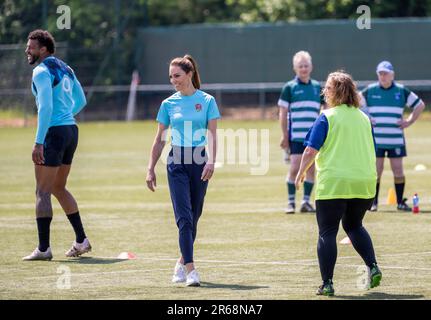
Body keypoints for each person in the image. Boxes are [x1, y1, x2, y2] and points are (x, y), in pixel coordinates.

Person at [295, 71, 382, 296]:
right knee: (354, 226)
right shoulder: (364, 118)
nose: (324, 91)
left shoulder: (327, 116)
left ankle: (327, 284)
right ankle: (373, 266)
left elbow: (310, 150)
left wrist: (300, 173)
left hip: (334, 184)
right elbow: (372, 149)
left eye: (328, 88)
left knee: (327, 232)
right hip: (364, 184)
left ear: (335, 92)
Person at [146, 55, 220, 287]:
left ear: (189, 74)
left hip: (200, 162)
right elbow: (159, 139)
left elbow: (213, 134)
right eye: (171, 77)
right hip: (176, 161)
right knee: (184, 219)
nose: (173, 80)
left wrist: (212, 162)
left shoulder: (207, 101)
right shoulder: (168, 104)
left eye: (177, 76)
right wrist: (150, 169)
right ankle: (191, 271)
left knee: (194, 217)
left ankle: (180, 262)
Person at [22, 30, 91, 261]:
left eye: (31, 47)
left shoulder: (41, 71)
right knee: (58, 188)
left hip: (54, 133)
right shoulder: (66, 68)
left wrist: (38, 141)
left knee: (42, 191)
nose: (27, 50)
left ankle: (43, 249)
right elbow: (81, 100)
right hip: (71, 130)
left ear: (44, 49)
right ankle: (82, 240)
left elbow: (46, 108)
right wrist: (65, 118)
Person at [360, 61, 425, 212]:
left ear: (392, 74)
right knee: (376, 171)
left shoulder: (401, 90)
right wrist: (366, 117)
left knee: (398, 170)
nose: (383, 76)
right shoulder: (370, 90)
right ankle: (373, 203)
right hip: (376, 139)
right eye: (380, 74)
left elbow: (420, 105)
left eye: (385, 73)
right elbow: (356, 101)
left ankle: (400, 202)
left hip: (395, 138)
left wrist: (409, 121)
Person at [278, 51, 325, 214]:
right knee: (295, 167)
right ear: (295, 68)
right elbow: (282, 113)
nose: (303, 69)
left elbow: (326, 110)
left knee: (311, 169)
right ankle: (291, 202)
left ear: (311, 67)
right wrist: (284, 135)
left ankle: (306, 202)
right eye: (300, 66)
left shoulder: (318, 87)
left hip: (314, 136)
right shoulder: (289, 87)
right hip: (296, 136)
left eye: (306, 66)